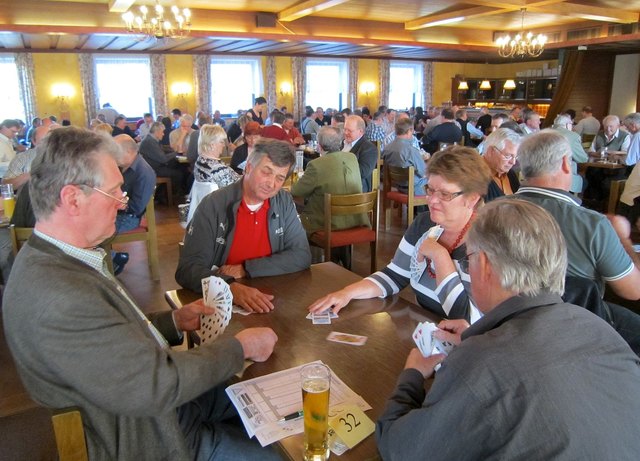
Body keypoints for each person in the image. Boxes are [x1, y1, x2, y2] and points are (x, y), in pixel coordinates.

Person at [2, 126, 281, 460]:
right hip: (149, 435)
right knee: (284, 449)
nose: (122, 205)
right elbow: (155, 386)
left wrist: (172, 322)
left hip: (151, 408)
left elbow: (104, 340)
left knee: (277, 403)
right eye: (114, 193)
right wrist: (239, 347)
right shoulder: (57, 295)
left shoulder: (58, 260)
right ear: (73, 198)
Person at [376, 199, 640, 460]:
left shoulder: (480, 362)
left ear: (487, 266)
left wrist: (411, 376)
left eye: (469, 260)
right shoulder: (602, 330)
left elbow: (398, 448)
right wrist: (476, 336)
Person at [309, 147, 492, 322]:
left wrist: (439, 255)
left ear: (472, 198)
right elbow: (395, 276)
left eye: (445, 194)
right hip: (427, 330)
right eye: (430, 190)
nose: (432, 200)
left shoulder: (487, 244)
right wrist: (347, 293)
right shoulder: (424, 224)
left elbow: (467, 319)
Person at [514, 130, 640, 352]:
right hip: (577, 325)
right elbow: (633, 291)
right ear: (565, 163)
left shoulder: (493, 211)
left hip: (514, 316)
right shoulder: (593, 224)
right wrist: (622, 238)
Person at [176, 139, 311, 313]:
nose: (271, 184)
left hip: (274, 298)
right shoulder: (214, 205)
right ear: (248, 167)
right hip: (224, 303)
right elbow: (188, 270)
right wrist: (229, 287)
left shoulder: (283, 202)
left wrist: (246, 269)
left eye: (279, 178)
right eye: (266, 172)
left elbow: (301, 255)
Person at [291, 126, 369, 267]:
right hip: (356, 218)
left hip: (327, 222)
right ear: (340, 143)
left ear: (319, 146)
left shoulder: (316, 165)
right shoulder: (352, 158)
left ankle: (310, 266)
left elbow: (297, 191)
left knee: (294, 220)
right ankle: (340, 259)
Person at [188, 125, 241, 223]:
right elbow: (242, 186)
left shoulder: (199, 163)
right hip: (222, 214)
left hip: (204, 213)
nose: (224, 145)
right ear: (212, 144)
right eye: (221, 142)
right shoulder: (218, 169)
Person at [139, 121, 187, 195]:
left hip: (154, 166)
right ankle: (166, 196)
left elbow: (161, 151)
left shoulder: (151, 139)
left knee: (179, 166)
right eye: (162, 132)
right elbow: (163, 159)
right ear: (157, 132)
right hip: (154, 169)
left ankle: (165, 194)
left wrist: (172, 151)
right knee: (178, 174)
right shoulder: (149, 142)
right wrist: (176, 153)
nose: (163, 134)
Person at [381, 117, 427, 197]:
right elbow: (422, 172)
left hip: (396, 184)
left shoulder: (387, 148)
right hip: (412, 187)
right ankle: (424, 207)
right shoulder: (411, 150)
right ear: (409, 131)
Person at [482, 128, 522, 201]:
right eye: (508, 156)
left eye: (515, 157)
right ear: (491, 151)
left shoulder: (510, 174)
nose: (513, 162)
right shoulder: (474, 176)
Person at [551, 113, 587, 193]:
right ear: (567, 125)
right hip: (563, 176)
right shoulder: (572, 136)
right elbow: (582, 159)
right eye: (572, 124)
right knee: (586, 182)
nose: (573, 126)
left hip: (543, 175)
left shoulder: (544, 133)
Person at [343, 115, 378, 193]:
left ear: (361, 132)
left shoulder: (369, 148)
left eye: (349, 131)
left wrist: (339, 168)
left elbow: (363, 172)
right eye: (345, 129)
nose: (346, 133)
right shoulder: (341, 143)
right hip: (339, 184)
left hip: (356, 189)